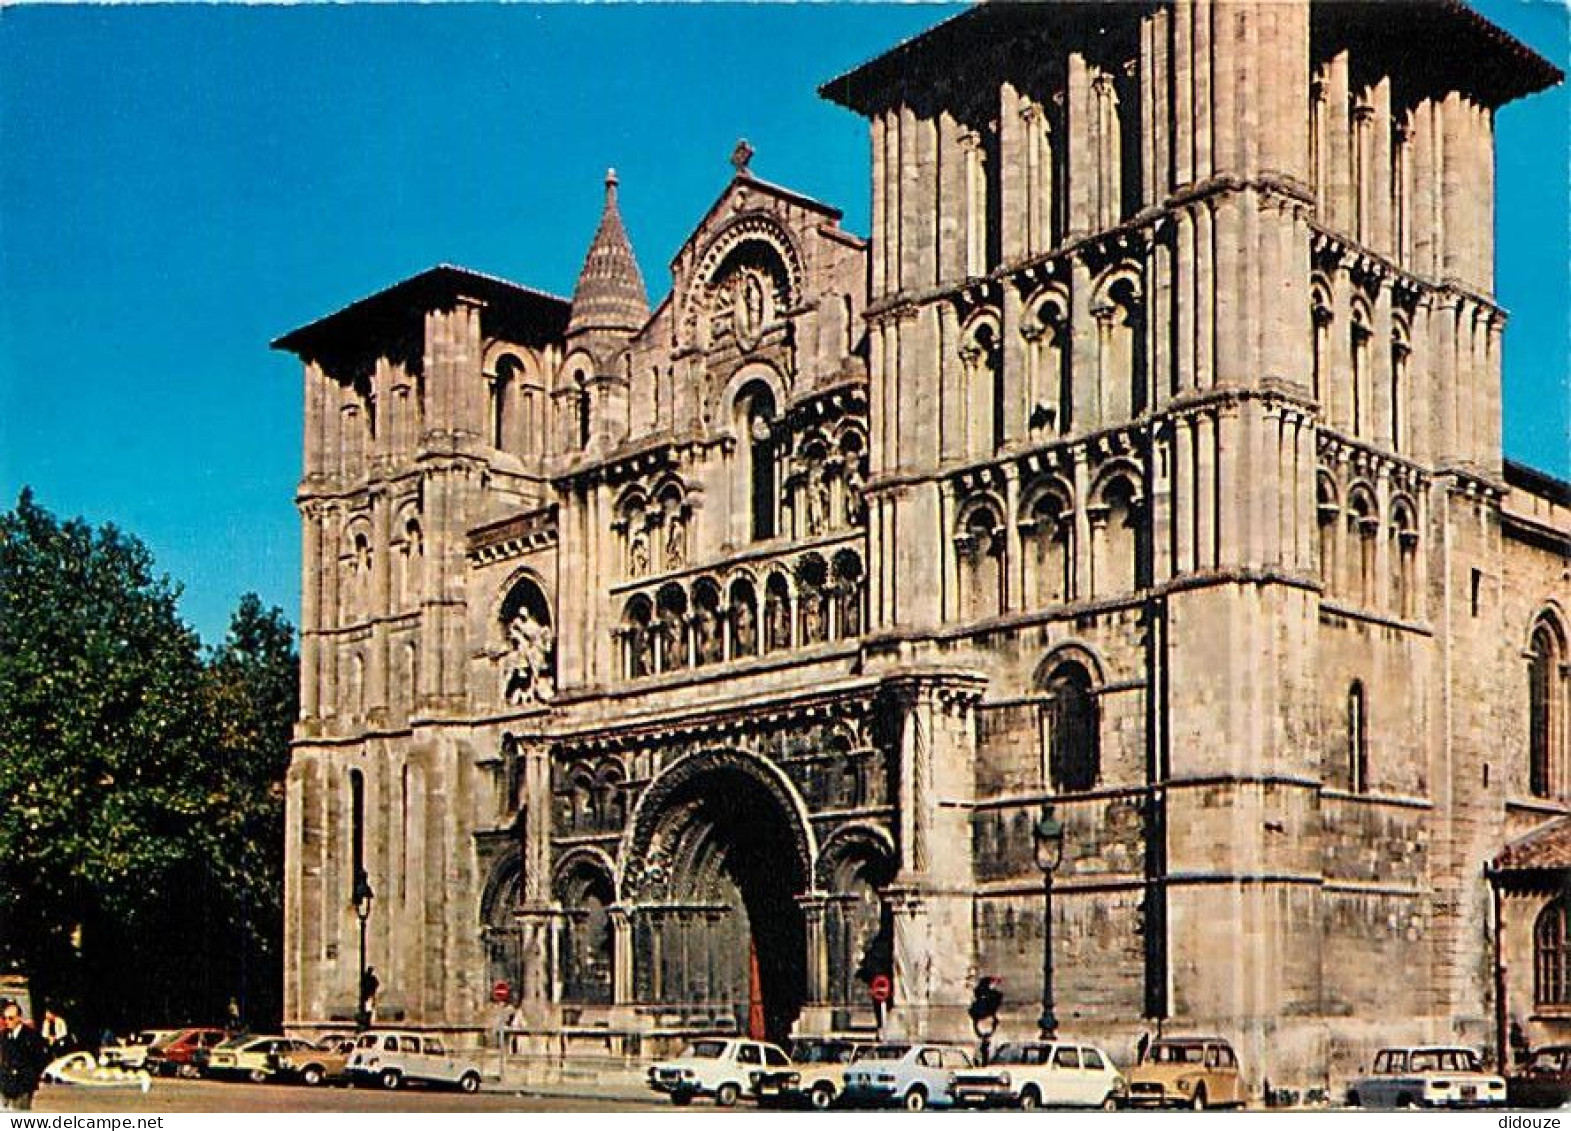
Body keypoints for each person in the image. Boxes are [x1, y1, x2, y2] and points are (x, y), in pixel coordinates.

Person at [0, 1000, 48, 1111]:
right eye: (5, 1018)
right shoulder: (4, 1035)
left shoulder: (31, 1036)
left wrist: (32, 1076)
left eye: (11, 1018)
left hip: (23, 1085)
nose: (7, 1021)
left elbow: (41, 1058)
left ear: (19, 1018)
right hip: (5, 1084)